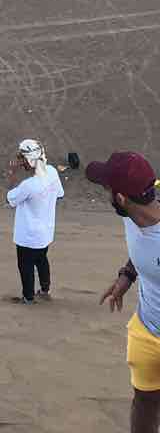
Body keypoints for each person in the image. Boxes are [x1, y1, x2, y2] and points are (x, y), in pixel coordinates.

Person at [87, 152, 160, 433]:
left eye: (106, 189)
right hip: (147, 328)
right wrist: (127, 277)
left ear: (119, 199)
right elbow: (145, 254)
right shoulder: (132, 213)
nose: (105, 193)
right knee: (144, 402)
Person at [6, 139, 64, 304]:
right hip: (45, 232)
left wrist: (12, 173)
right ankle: (45, 290)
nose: (20, 162)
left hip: (28, 235)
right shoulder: (52, 172)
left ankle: (28, 297)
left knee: (26, 266)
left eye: (22, 158)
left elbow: (10, 198)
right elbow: (59, 193)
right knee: (42, 260)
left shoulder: (29, 185)